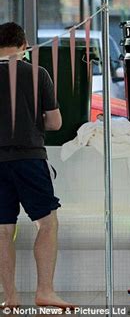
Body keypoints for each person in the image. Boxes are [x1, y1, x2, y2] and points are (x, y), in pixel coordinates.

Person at [0, 22, 73, 308]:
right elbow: (55, 122)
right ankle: (45, 291)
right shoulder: (36, 73)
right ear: (25, 45)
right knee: (47, 223)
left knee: (3, 229)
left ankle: (10, 298)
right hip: (29, 158)